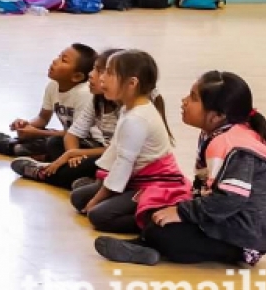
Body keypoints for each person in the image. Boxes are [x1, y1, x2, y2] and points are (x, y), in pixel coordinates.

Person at [95, 71, 266, 267]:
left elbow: (230, 200)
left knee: (166, 233)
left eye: (194, 98)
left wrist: (182, 212)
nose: (184, 101)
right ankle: (146, 243)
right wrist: (180, 210)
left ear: (217, 116)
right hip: (222, 219)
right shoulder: (215, 134)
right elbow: (207, 188)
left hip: (243, 238)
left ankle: (148, 246)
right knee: (156, 214)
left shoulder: (237, 148)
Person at [70, 50, 187, 234]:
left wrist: (97, 199)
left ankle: (152, 218)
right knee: (78, 198)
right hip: (134, 179)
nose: (102, 79)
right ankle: (120, 199)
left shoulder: (136, 119)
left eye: (109, 73)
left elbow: (123, 166)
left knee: (98, 216)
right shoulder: (129, 109)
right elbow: (114, 153)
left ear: (132, 83)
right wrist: (101, 186)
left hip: (155, 184)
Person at [11, 48, 121, 188]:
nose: (91, 75)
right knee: (55, 143)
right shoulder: (97, 100)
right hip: (97, 150)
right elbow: (71, 134)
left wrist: (73, 154)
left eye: (99, 71)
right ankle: (78, 177)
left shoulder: (127, 110)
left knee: (85, 184)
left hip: (117, 159)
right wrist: (73, 155)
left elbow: (118, 151)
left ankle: (45, 172)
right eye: (93, 69)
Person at [0, 43, 96, 158]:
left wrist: (37, 132)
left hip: (83, 143)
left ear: (77, 76)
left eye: (63, 60)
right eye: (59, 56)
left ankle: (20, 149)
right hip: (64, 136)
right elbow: (42, 118)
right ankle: (26, 150)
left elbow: (78, 135)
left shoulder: (84, 94)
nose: (55, 61)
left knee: (54, 143)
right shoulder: (53, 86)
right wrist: (26, 125)